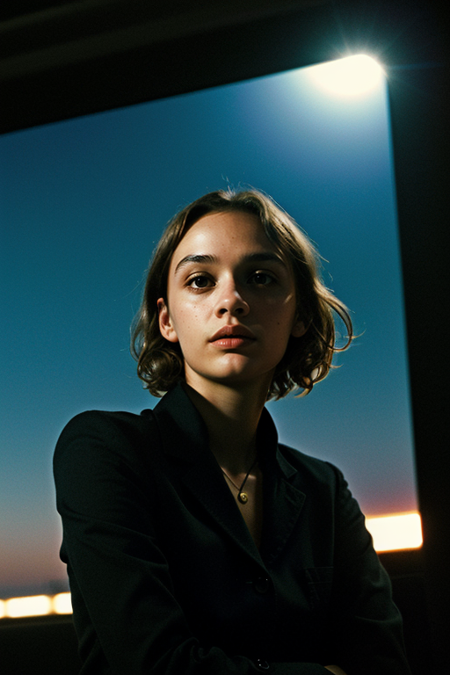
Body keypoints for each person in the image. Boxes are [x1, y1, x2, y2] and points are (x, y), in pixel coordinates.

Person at [54, 189, 411, 675]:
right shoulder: (103, 450)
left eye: (261, 278)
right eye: (200, 281)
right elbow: (154, 665)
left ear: (301, 315)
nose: (232, 300)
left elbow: (384, 662)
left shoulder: (324, 490)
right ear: (167, 320)